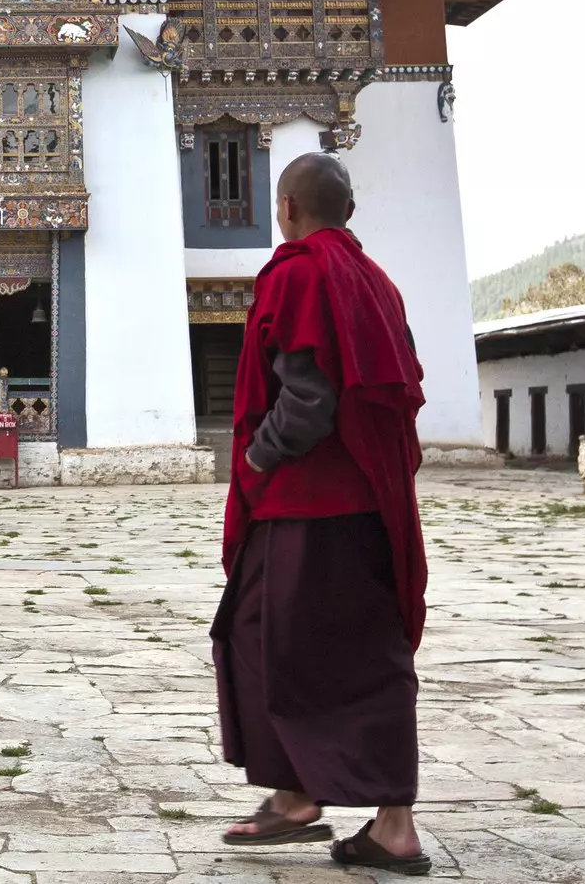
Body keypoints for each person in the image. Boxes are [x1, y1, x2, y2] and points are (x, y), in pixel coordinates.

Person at [215, 151, 432, 875]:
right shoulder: (376, 281)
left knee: (256, 632)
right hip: (372, 502)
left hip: (306, 503)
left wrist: (258, 455)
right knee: (370, 651)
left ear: (287, 208)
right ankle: (380, 820)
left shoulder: (299, 272)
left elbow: (308, 398)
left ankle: (297, 794)